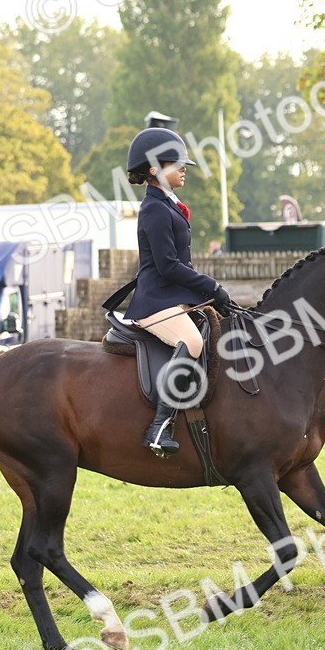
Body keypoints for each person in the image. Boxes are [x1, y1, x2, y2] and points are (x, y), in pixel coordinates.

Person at [117, 127, 233, 458]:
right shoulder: (154, 209)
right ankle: (159, 427)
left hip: (173, 297)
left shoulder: (170, 204)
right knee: (193, 342)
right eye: (176, 164)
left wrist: (211, 296)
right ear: (154, 169)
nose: (184, 169)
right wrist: (210, 286)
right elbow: (168, 266)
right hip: (154, 301)